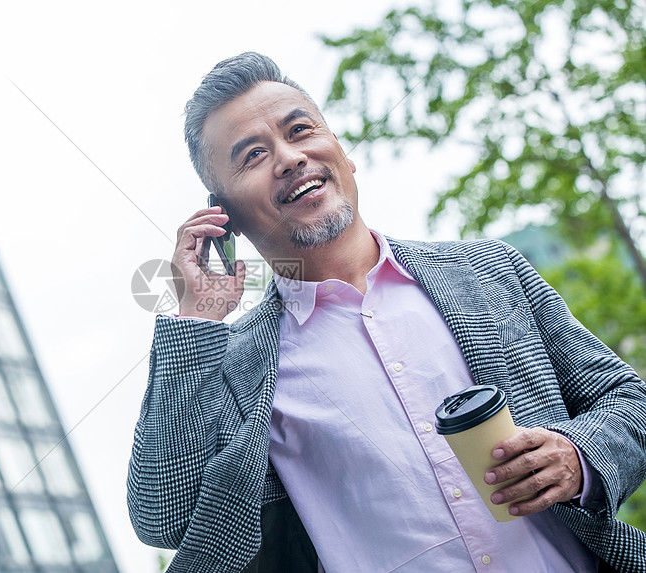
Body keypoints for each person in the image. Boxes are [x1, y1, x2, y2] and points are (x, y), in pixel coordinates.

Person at [127, 52, 646, 573]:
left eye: (300, 130)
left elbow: (628, 399)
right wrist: (195, 321)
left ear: (342, 154)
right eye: (253, 156)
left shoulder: (489, 270)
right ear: (225, 216)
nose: (289, 158)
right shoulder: (238, 370)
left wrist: (579, 457)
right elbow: (162, 515)